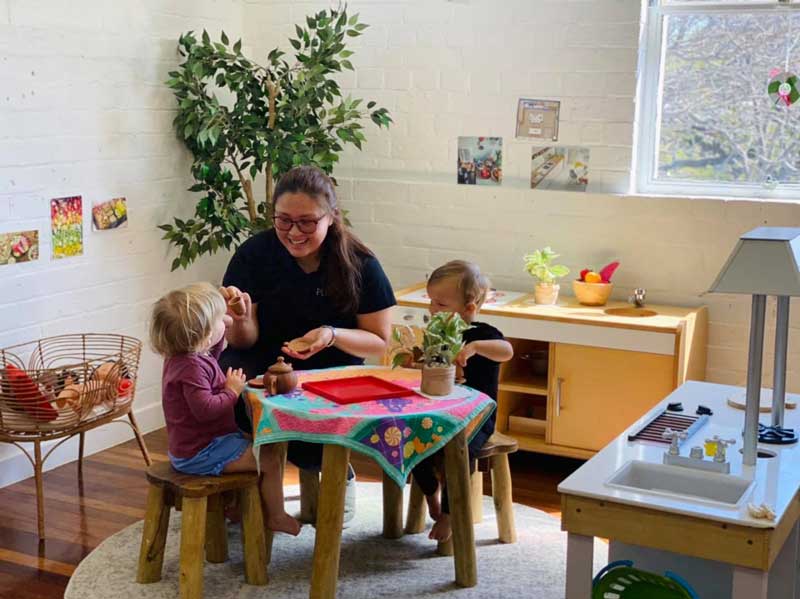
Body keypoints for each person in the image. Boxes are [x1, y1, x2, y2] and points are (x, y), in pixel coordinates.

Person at [219, 165, 396, 522]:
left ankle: (332, 479)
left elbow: (378, 341)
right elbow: (244, 340)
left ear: (331, 217)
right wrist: (239, 318)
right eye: (283, 221)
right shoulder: (255, 254)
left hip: (331, 365)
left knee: (313, 414)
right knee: (231, 393)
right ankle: (244, 492)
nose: (293, 232)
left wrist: (330, 334)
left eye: (306, 222)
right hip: (262, 358)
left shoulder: (359, 262)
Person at [149, 282, 301, 535]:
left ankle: (233, 506)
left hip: (203, 443)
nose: (226, 323)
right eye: (220, 320)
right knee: (272, 457)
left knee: (256, 441)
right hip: (201, 452)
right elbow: (205, 410)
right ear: (205, 335)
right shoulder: (191, 369)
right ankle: (276, 515)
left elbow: (215, 348)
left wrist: (225, 316)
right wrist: (232, 390)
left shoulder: (185, 354)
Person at [411, 260, 513, 543]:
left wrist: (475, 347)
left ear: (469, 308)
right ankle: (431, 494)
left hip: (477, 416)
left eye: (441, 305)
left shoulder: (484, 334)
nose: (433, 310)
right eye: (431, 302)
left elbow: (507, 351)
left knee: (460, 450)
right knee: (415, 441)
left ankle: (449, 514)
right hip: (441, 411)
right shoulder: (438, 335)